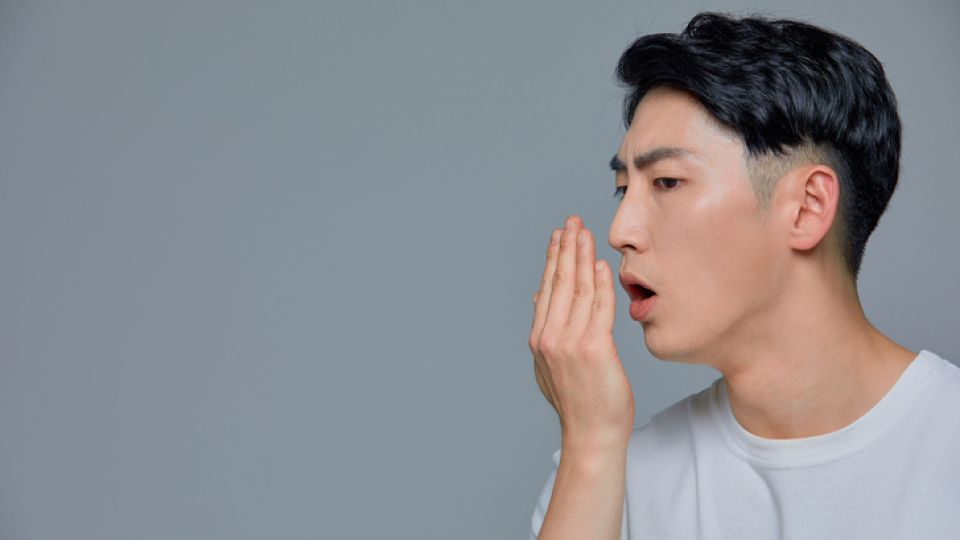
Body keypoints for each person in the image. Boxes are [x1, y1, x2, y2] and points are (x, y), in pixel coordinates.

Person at [526, 11, 960, 540]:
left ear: (807, 207)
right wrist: (591, 445)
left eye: (666, 182)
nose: (621, 231)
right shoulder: (605, 476)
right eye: (623, 189)